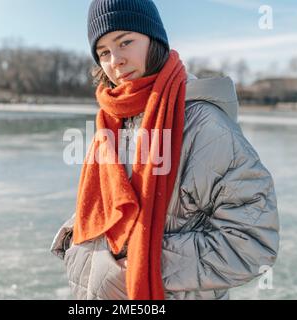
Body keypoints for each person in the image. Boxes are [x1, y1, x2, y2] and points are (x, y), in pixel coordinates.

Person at [50, 0, 279, 300]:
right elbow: (106, 209)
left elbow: (253, 242)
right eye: (103, 52)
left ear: (154, 40)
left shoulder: (201, 125)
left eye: (125, 42)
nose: (115, 60)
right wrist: (76, 246)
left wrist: (136, 268)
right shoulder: (115, 118)